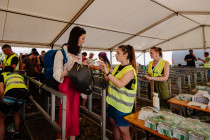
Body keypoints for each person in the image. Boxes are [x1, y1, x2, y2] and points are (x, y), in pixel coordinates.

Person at [53, 26, 89, 140]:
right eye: (82, 38)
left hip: (75, 85)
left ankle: (72, 136)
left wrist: (82, 65)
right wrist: (70, 68)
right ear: (76, 37)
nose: (84, 41)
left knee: (74, 113)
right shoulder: (60, 53)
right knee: (66, 114)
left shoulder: (77, 52)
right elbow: (57, 74)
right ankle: (63, 136)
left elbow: (76, 69)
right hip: (66, 85)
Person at [99, 45, 137, 140]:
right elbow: (108, 79)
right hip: (113, 103)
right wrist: (104, 71)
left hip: (122, 106)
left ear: (125, 55)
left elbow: (120, 84)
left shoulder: (130, 70)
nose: (115, 55)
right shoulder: (117, 67)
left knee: (124, 133)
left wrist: (108, 73)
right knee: (115, 126)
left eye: (118, 53)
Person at [0, 66, 29, 140]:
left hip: (11, 93)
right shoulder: (18, 75)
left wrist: (3, 103)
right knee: (16, 112)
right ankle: (17, 133)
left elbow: (1, 91)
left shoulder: (2, 75)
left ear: (4, 71)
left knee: (1, 118)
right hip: (24, 94)